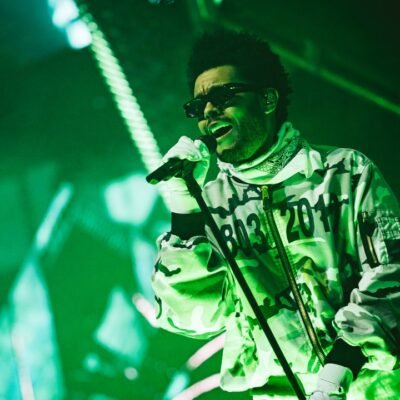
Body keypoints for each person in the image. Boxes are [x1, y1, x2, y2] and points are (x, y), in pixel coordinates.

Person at [150, 29, 400, 399]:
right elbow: (189, 319)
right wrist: (185, 214)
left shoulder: (344, 172)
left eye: (222, 97)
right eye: (197, 107)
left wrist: (340, 367)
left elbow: (394, 272)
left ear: (267, 98)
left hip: (374, 388)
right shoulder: (211, 206)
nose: (208, 112)